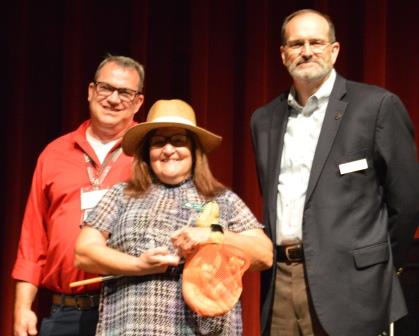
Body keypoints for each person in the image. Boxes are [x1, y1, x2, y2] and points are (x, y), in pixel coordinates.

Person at [251, 8, 419, 336]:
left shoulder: (376, 107)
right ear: (283, 53)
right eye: (297, 44)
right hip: (282, 282)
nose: (307, 51)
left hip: (355, 288)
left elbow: (407, 203)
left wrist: (378, 269)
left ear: (334, 50)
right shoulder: (263, 120)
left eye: (316, 42)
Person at [74, 99, 273, 335]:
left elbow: (264, 254)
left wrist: (212, 235)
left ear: (194, 150)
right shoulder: (122, 194)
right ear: (147, 152)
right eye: (159, 143)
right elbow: (84, 252)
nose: (168, 150)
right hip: (132, 328)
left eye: (178, 141)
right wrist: (138, 265)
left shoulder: (222, 198)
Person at [12, 54, 145, 336]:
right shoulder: (54, 153)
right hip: (66, 312)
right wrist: (23, 307)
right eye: (105, 88)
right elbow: (33, 239)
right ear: (90, 91)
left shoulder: (151, 154)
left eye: (125, 92)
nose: (113, 98)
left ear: (138, 102)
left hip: (128, 307)